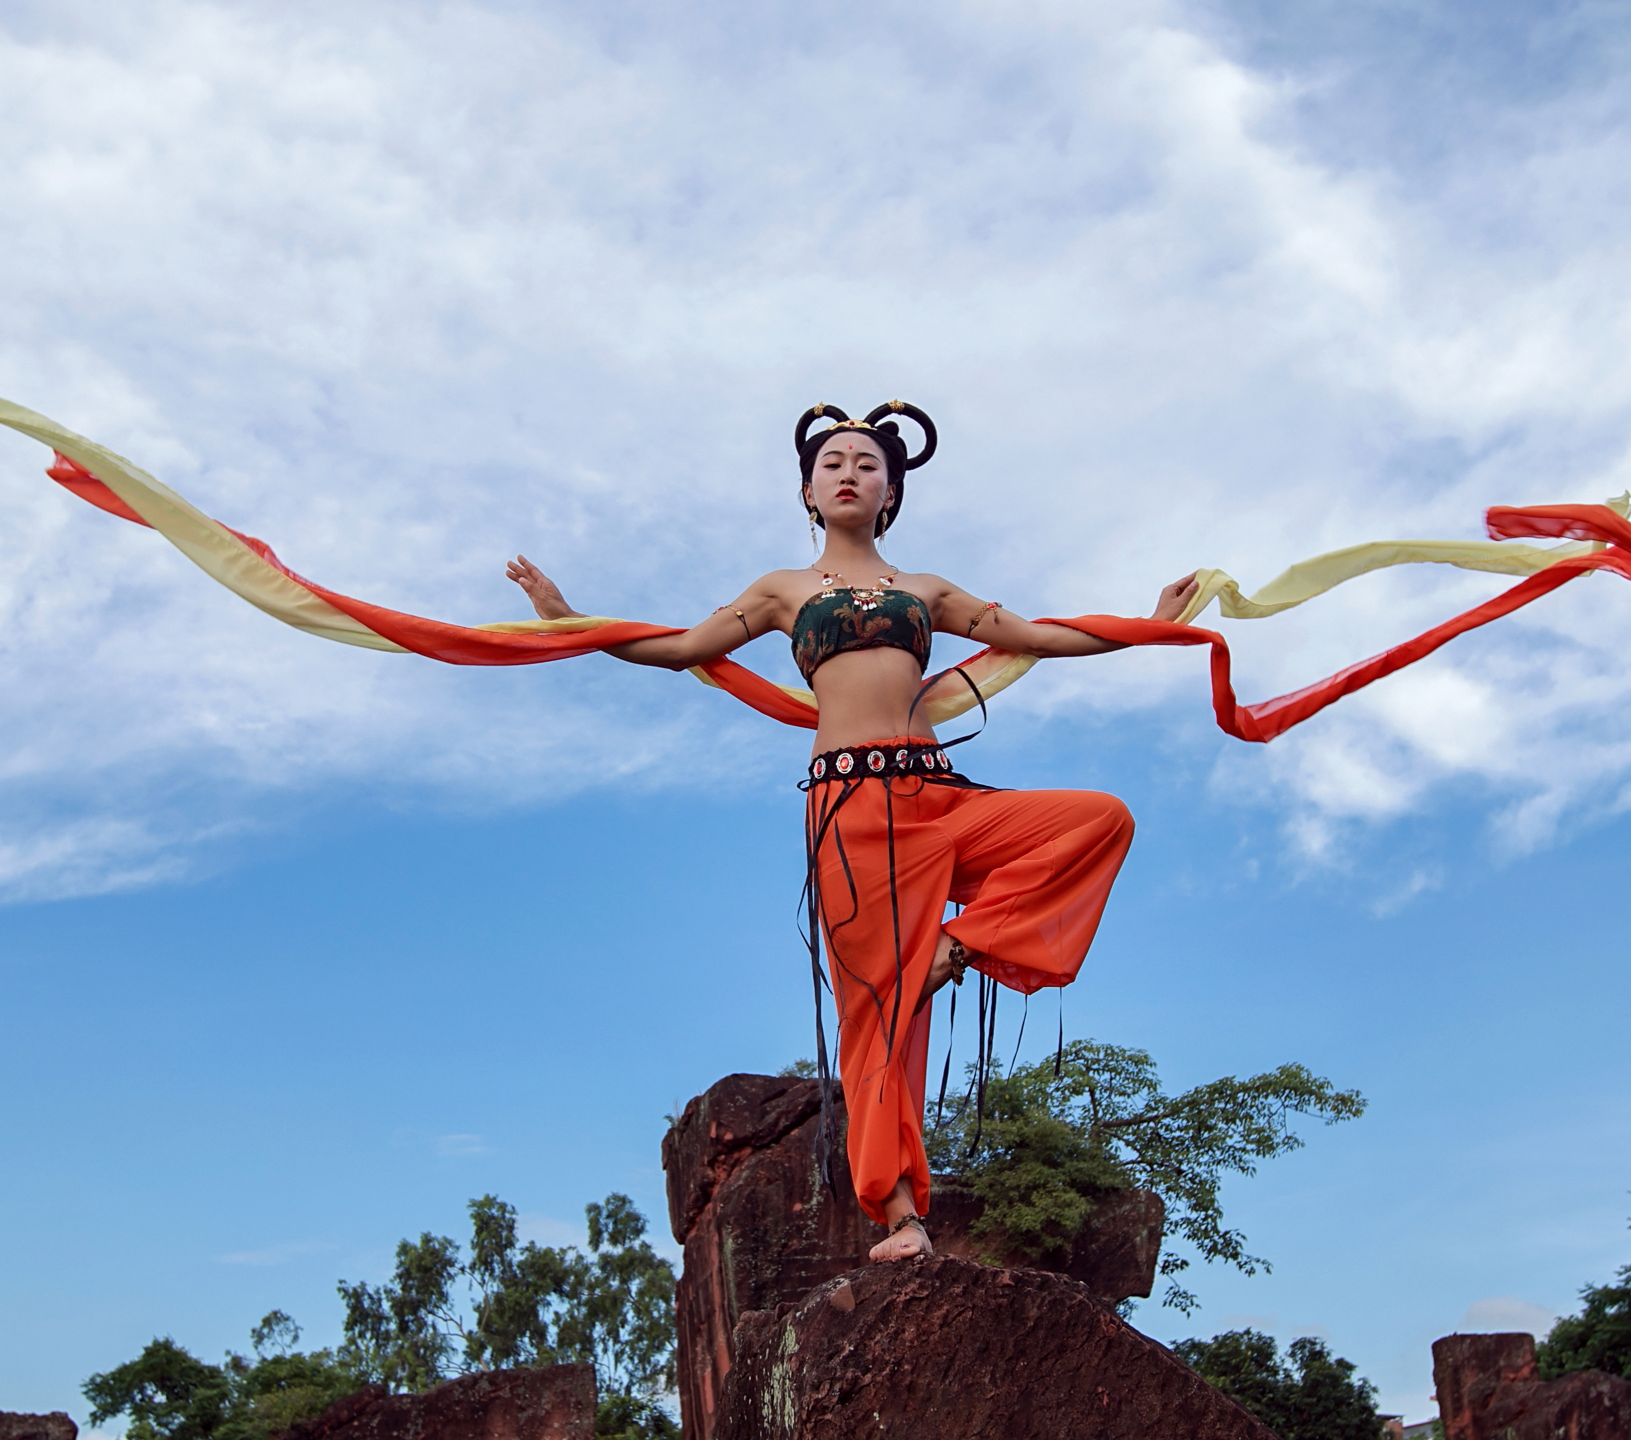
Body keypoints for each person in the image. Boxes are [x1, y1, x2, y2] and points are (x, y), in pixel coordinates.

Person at [504, 404, 1194, 1263]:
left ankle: (959, 948)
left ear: (891, 490)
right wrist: (568, 618)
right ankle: (902, 1214)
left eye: (867, 464)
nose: (848, 473)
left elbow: (1040, 635)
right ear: (807, 490)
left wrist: (1152, 621)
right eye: (833, 462)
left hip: (939, 799)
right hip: (851, 818)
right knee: (876, 1018)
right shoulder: (781, 591)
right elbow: (681, 648)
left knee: (1097, 819)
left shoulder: (927, 591)